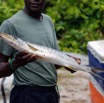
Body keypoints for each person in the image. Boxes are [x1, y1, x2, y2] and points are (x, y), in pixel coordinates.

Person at [0, 0, 75, 103]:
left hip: (51, 92)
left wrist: (68, 62)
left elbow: (53, 63)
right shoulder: (10, 25)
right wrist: (15, 63)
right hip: (26, 94)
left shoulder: (48, 21)